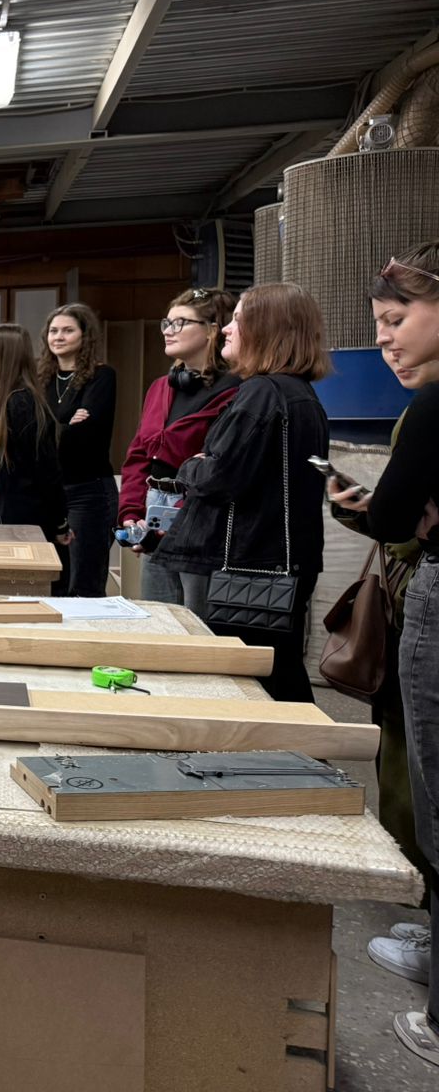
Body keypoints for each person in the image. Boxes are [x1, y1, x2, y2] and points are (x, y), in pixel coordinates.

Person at [330, 245, 439, 1067]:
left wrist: (384, 510)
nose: (385, 339)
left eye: (397, 320)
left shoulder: (432, 406)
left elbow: (397, 517)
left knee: (431, 792)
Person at [154, 283, 330, 704]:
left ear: (268, 329)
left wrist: (191, 465)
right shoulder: (301, 395)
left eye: (237, 319)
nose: (227, 329)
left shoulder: (262, 392)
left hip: (247, 566)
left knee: (247, 686)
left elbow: (220, 477)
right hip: (279, 564)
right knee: (278, 676)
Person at [118, 288, 241, 614]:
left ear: (212, 330)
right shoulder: (161, 387)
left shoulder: (236, 391)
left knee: (197, 619)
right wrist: (131, 514)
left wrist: (179, 519)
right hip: (154, 509)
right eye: (166, 323)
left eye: (180, 323)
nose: (168, 331)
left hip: (200, 515)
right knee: (159, 616)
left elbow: (219, 467)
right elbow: (138, 456)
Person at [40, 303, 118, 595]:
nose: (58, 337)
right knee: (53, 584)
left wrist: (52, 429)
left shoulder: (102, 376)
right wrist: (65, 425)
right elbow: (31, 435)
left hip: (88, 491)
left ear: (85, 336)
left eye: (68, 330)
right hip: (50, 493)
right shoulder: (41, 379)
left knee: (84, 584)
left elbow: (84, 438)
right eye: (53, 331)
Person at [0, 324, 70, 544]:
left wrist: (59, 522)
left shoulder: (21, 403)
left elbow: (46, 471)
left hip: (22, 516)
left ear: (7, 358)